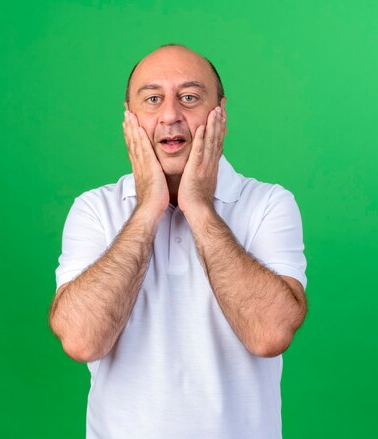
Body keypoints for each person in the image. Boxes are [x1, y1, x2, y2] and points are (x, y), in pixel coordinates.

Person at [49, 43, 308, 439]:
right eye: (153, 99)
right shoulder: (94, 209)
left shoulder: (269, 204)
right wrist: (147, 209)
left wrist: (200, 209)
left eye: (189, 98)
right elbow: (82, 340)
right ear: (130, 118)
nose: (170, 115)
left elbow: (269, 334)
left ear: (220, 112)